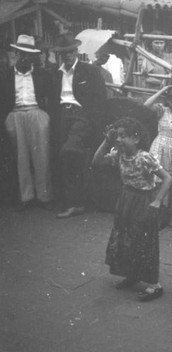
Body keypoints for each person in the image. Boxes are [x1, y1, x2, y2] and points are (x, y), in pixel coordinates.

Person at [92, 117, 172, 301]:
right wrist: (106, 141)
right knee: (126, 238)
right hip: (126, 199)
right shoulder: (118, 154)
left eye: (123, 136)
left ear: (136, 138)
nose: (119, 140)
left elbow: (167, 178)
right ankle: (133, 275)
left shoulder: (145, 157)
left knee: (144, 242)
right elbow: (96, 163)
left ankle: (154, 285)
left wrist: (158, 201)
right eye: (117, 136)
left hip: (143, 202)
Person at [51, 32, 107, 219]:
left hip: (81, 116)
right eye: (64, 53)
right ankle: (76, 202)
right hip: (62, 116)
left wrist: (91, 120)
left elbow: (100, 98)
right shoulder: (56, 72)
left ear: (76, 51)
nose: (67, 55)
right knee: (66, 157)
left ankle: (75, 203)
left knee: (68, 152)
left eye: (70, 51)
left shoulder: (88, 70)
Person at [0, 35, 56, 211]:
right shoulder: (6, 75)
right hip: (15, 114)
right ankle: (26, 196)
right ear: (15, 54)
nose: (24, 57)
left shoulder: (42, 74)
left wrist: (47, 117)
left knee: (41, 156)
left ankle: (44, 195)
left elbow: (52, 98)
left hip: (36, 113)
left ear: (32, 56)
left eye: (28, 54)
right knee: (21, 157)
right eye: (21, 53)